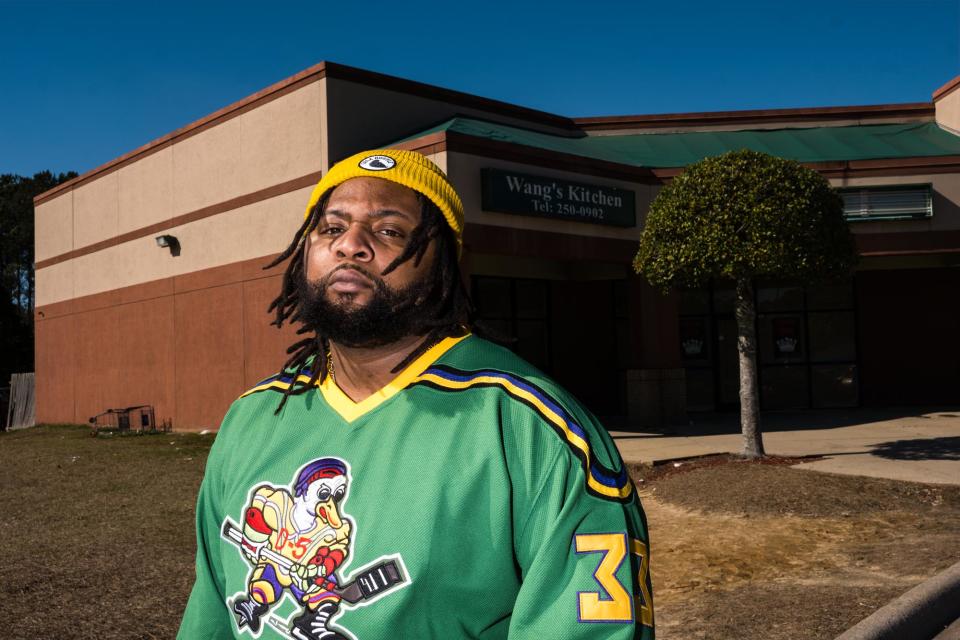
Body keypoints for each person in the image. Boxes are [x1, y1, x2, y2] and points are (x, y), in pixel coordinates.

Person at [178, 149, 655, 640]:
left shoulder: (530, 423)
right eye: (331, 227)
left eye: (388, 231)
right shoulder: (252, 417)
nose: (351, 245)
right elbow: (211, 612)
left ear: (442, 262)